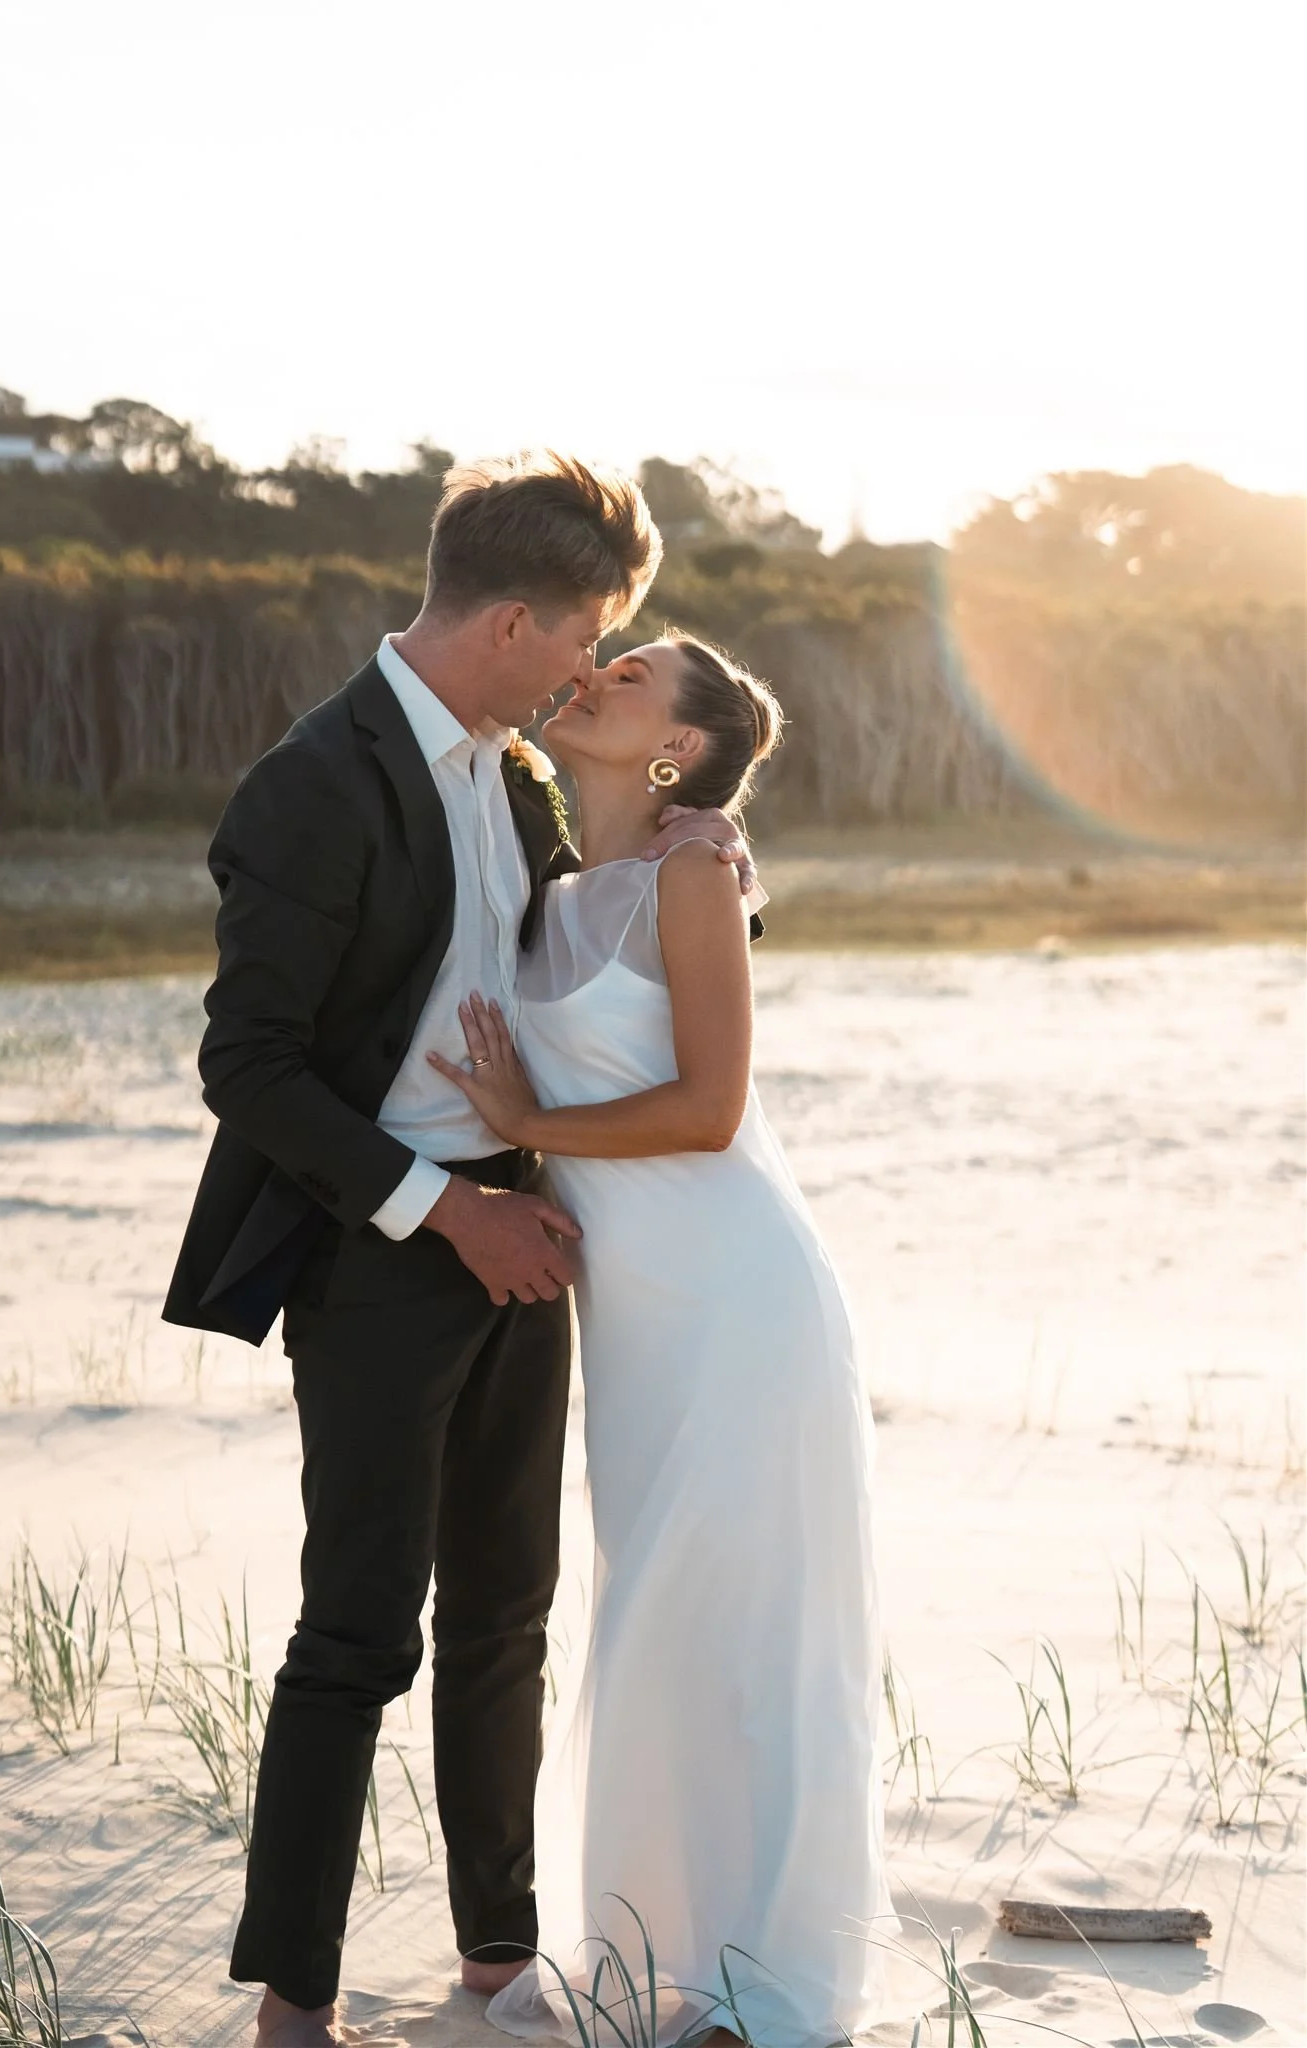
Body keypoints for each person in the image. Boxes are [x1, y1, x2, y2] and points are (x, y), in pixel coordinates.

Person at [161, 454, 758, 2047]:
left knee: (510, 1617)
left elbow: (587, 951)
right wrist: (449, 1211)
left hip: (528, 1233)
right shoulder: (313, 782)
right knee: (358, 1629)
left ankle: (499, 1960)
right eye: (585, 643)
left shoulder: (514, 776)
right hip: (383, 1250)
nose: (590, 674)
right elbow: (251, 1065)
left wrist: (711, 856)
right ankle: (295, 2000)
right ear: (515, 620)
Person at [427, 632, 897, 2048]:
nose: (595, 675)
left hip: (746, 1304)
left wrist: (529, 1130)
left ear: (677, 751)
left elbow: (707, 1107)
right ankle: (664, 1954)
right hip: (637, 1328)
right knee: (661, 1620)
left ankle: (771, 1982)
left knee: (759, 1629)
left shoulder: (696, 878)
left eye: (630, 676)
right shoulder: (550, 880)